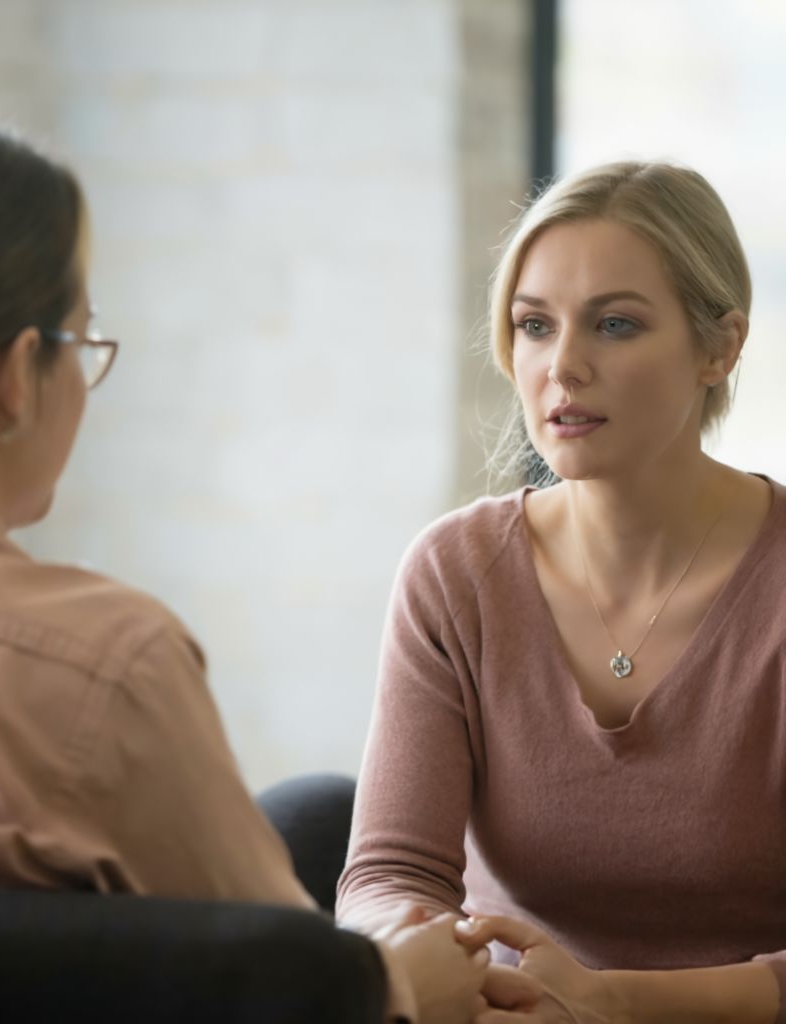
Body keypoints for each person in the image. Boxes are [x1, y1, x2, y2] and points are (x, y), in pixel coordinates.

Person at [0, 108, 511, 1024]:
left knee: (313, 814)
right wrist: (404, 988)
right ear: (16, 373)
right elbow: (284, 982)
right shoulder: (96, 665)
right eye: (84, 340)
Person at [337, 160, 786, 1023]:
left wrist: (607, 1002)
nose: (563, 366)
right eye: (534, 325)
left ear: (720, 347)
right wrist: (421, 957)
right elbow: (391, 873)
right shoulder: (456, 572)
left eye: (615, 324)